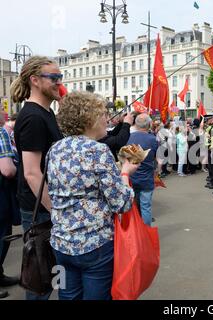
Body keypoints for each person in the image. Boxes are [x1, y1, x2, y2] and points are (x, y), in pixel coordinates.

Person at [47, 91, 138, 300]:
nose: (106, 119)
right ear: (89, 118)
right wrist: (125, 172)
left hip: (61, 242)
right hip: (94, 244)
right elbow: (122, 203)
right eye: (102, 114)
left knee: (68, 296)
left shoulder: (55, 149)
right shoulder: (98, 150)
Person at [10, 56, 64, 300]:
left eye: (60, 77)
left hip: (43, 204)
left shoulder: (45, 112)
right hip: (39, 207)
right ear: (35, 80)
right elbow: (32, 173)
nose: (59, 82)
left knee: (47, 276)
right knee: (40, 277)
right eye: (54, 78)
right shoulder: (33, 117)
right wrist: (55, 210)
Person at [0, 111, 19, 299]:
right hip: (1, 194)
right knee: (2, 235)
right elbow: (7, 170)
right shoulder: (1, 133)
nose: (4, 112)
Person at [128, 114, 159, 226]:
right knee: (146, 207)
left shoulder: (129, 137)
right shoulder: (152, 139)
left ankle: (137, 232)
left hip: (132, 176)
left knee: (134, 207)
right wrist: (157, 171)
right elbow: (157, 158)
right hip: (146, 177)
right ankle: (146, 232)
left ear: (136, 124)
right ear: (149, 124)